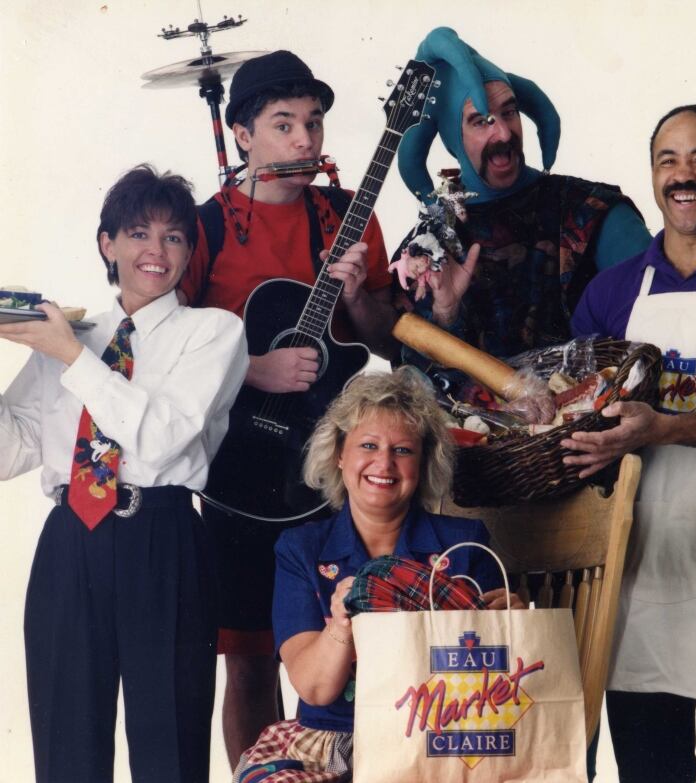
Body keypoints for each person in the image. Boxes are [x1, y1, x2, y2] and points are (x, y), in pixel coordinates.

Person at [176, 50, 398, 768]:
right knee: (247, 654)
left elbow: (378, 339)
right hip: (241, 466)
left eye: (314, 123)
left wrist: (362, 292)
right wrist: (254, 366)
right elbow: (165, 352)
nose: (305, 141)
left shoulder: (346, 217)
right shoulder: (204, 228)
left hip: (336, 470)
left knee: (348, 642)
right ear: (242, 135)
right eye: (284, 125)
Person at [0, 165, 248, 782]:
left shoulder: (213, 332)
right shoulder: (70, 333)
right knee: (65, 745)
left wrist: (72, 357)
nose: (156, 252)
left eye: (173, 237)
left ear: (189, 251)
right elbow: (14, 448)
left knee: (169, 744)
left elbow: (162, 440)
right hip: (69, 542)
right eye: (138, 233)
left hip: (161, 536)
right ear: (107, 244)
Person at [563, 105, 696, 782]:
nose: (683, 175)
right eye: (668, 160)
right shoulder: (613, 291)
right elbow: (574, 410)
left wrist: (664, 427)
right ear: (653, 174)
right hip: (642, 582)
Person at [393, 27, 696, 364]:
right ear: (451, 136)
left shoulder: (589, 211)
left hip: (589, 438)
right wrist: (442, 311)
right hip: (467, 443)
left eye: (509, 113)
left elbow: (675, 296)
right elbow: (405, 361)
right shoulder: (428, 241)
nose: (505, 134)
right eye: (481, 121)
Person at [232, 368, 519, 782]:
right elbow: (315, 689)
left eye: (403, 450)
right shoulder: (300, 549)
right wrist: (341, 627)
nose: (384, 463)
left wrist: (508, 623)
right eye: (368, 445)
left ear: (423, 463)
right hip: (333, 743)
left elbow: (492, 688)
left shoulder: (466, 543)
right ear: (339, 455)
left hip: (436, 744)